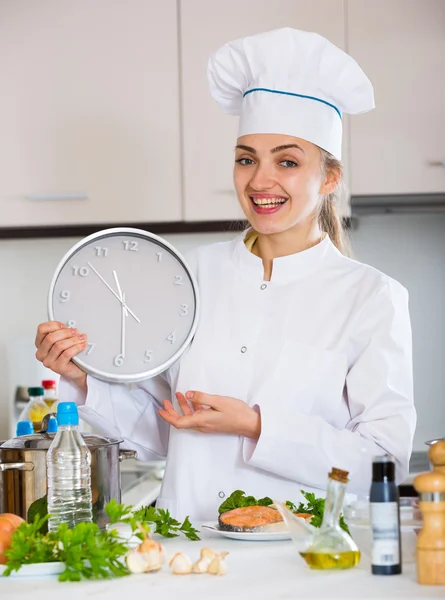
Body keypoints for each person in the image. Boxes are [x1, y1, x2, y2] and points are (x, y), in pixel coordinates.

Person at [35, 28, 416, 521]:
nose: (260, 181)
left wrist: (257, 426)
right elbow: (158, 431)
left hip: (302, 560)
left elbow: (382, 463)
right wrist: (82, 379)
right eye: (246, 159)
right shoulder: (188, 274)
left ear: (329, 177)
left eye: (288, 161)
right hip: (189, 549)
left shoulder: (371, 297)